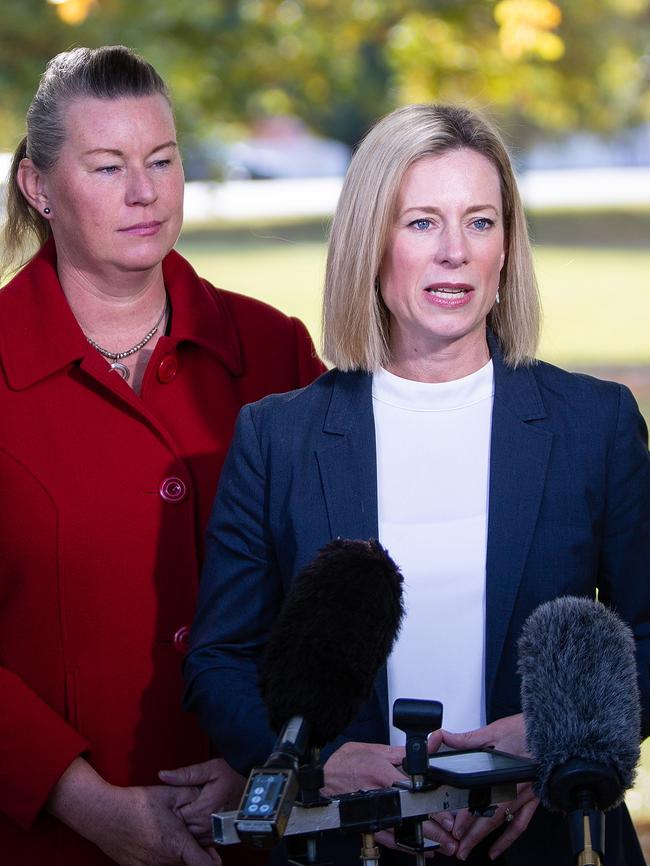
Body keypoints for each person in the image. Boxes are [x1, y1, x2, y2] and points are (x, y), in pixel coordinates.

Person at [184, 103, 650, 865]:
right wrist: (318, 762)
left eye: (481, 222)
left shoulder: (594, 425)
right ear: (372, 243)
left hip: (546, 842)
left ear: (507, 248)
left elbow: (645, 631)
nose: (456, 253)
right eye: (423, 223)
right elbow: (220, 659)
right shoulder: (279, 438)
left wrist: (561, 734)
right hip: (343, 844)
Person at [0, 45, 323, 866]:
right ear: (38, 186)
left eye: (163, 160)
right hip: (45, 841)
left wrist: (255, 753)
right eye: (108, 166)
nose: (145, 192)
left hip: (261, 830)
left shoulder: (273, 349)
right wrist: (83, 800)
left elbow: (337, 581)